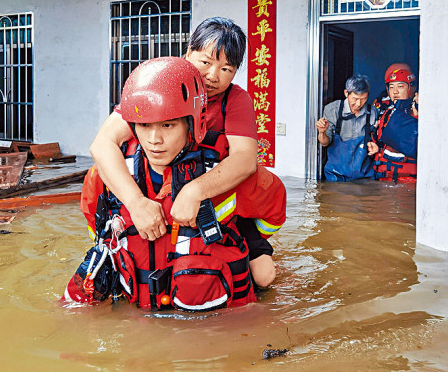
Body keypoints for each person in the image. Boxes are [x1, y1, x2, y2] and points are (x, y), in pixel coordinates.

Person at [64, 57, 285, 311]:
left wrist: (248, 243)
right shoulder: (106, 176)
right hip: (140, 312)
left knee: (264, 274)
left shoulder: (228, 173)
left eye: (168, 125)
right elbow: (99, 229)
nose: (154, 139)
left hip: (210, 323)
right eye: (144, 125)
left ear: (193, 124)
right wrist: (135, 204)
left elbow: (273, 209)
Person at [89, 17, 285, 285]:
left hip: (217, 199)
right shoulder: (160, 81)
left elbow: (245, 159)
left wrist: (194, 192)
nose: (213, 76)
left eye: (226, 69)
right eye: (205, 62)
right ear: (188, 53)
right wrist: (136, 203)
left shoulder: (235, 100)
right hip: (154, 189)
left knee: (264, 277)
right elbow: (102, 144)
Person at [316, 74, 378, 181]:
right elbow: (325, 143)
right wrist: (322, 132)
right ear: (346, 93)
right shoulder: (332, 109)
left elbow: (374, 139)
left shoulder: (372, 112)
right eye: (355, 98)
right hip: (336, 175)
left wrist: (373, 145)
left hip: (364, 175)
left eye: (363, 99)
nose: (359, 104)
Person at [367, 66, 419, 183]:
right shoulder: (386, 113)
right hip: (384, 179)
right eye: (391, 87)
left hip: (409, 182)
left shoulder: (422, 114)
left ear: (411, 88)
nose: (395, 91)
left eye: (400, 86)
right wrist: (376, 147)